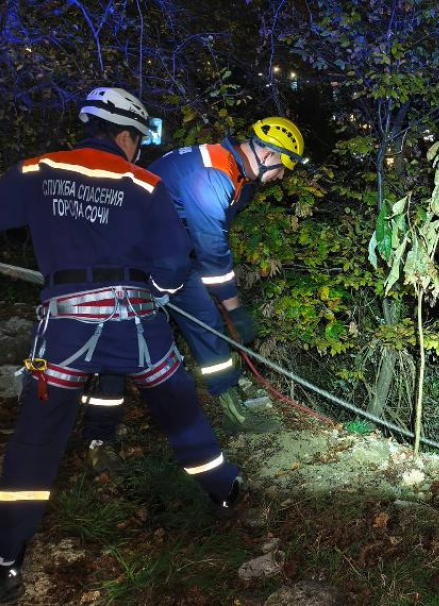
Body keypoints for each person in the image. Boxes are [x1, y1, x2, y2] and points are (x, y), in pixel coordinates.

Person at [0, 87, 243, 604]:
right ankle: (224, 491)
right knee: (180, 409)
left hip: (63, 326)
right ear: (128, 135)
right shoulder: (143, 183)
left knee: (37, 437)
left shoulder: (37, 170)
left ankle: (6, 556)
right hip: (135, 324)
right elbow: (174, 262)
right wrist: (159, 292)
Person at [81, 117, 306, 467]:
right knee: (121, 338)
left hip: (170, 259)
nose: (281, 177)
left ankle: (232, 406)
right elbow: (213, 250)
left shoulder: (235, 173)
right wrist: (234, 307)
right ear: (267, 154)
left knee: (206, 323)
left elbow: (198, 238)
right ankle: (99, 437)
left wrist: (218, 300)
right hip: (126, 254)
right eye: (283, 168)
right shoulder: (213, 175)